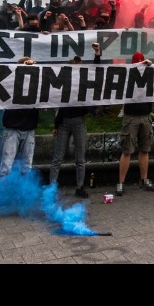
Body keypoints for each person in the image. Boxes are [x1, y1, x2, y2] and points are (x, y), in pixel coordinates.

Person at [114, 37, 154, 196]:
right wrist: (141, 64)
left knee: (145, 150)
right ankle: (121, 182)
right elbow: (123, 70)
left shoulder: (150, 73)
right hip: (130, 117)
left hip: (145, 116)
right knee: (127, 151)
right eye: (137, 62)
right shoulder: (127, 74)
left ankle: (144, 180)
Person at [48, 48, 96, 199]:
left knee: (78, 158)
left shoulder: (84, 83)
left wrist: (97, 55)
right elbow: (60, 106)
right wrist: (56, 125)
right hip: (67, 122)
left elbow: (99, 72)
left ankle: (77, 187)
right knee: (60, 157)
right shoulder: (66, 84)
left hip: (75, 121)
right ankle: (54, 188)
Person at [0, 56, 41, 177]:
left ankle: (24, 192)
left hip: (29, 128)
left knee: (27, 166)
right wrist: (24, 67)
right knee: (7, 164)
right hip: (12, 128)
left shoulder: (36, 83)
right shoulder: (11, 81)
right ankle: (3, 193)